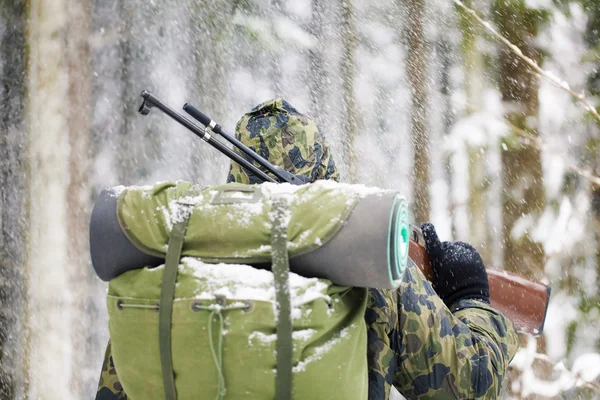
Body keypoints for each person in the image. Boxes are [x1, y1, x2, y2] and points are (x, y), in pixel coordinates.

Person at [96, 99, 519, 400]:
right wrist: (470, 296)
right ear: (326, 179)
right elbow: (472, 384)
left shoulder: (168, 267)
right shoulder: (368, 263)